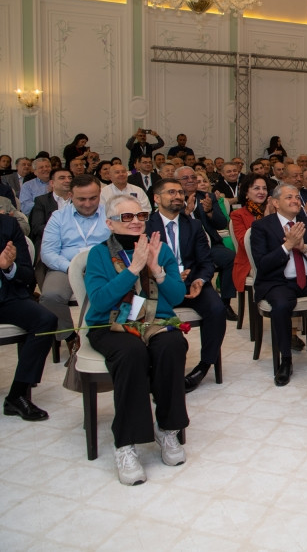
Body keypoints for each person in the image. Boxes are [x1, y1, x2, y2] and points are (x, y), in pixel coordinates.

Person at [85, 196, 189, 485]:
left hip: (155, 322)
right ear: (109, 224)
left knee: (172, 345)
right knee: (132, 353)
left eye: (140, 216)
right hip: (111, 325)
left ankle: (167, 430)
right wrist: (133, 270)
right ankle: (126, 444)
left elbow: (177, 297)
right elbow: (100, 301)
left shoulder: (161, 249)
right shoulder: (99, 254)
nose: (135, 222)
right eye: (126, 217)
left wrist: (156, 269)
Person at [146, 178, 227, 393]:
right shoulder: (145, 226)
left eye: (180, 192)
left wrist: (200, 281)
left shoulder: (193, 225)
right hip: (158, 285)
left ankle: (203, 366)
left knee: (217, 309)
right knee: (147, 314)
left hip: (192, 283)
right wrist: (167, 275)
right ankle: (154, 370)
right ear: (156, 198)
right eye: (171, 192)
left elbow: (206, 262)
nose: (178, 196)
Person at [250, 183, 307, 385]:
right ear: (275, 203)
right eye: (289, 197)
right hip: (277, 281)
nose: (295, 200)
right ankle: (285, 359)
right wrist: (287, 246)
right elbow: (262, 264)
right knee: (281, 305)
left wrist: (304, 248)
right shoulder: (262, 226)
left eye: (297, 197)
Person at [0, 214, 59, 421]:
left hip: (6, 297)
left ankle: (17, 395)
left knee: (45, 320)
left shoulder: (7, 224)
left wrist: (9, 267)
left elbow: (27, 274)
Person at [39, 174, 111, 338]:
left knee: (121, 291)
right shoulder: (58, 217)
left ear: (100, 194)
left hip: (104, 266)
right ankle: (69, 336)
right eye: (81, 199)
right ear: (71, 195)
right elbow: (48, 253)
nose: (88, 204)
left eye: (93, 198)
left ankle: (106, 334)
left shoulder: (110, 214)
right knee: (51, 296)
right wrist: (72, 268)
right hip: (66, 267)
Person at [175, 167, 237, 321]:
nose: (191, 180)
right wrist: (186, 212)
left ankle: (225, 303)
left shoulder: (208, 197)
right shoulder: (174, 200)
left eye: (193, 177)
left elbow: (221, 223)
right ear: (176, 182)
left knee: (231, 258)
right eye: (185, 178)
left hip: (211, 245)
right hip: (185, 249)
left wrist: (210, 212)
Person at [230, 174, 271, 303]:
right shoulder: (238, 214)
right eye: (256, 188)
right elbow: (244, 243)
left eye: (264, 188)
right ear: (246, 193)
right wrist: (265, 220)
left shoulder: (274, 209)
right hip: (249, 261)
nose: (262, 192)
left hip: (273, 256)